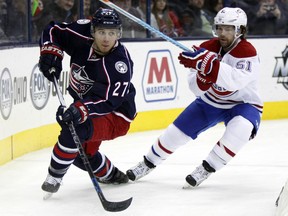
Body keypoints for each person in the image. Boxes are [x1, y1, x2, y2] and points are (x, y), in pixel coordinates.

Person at [126, 7, 263, 188]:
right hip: (211, 102)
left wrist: (209, 66)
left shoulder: (247, 52)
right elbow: (196, 89)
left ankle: (207, 168)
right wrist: (203, 74)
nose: (222, 33)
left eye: (229, 29)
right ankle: (147, 163)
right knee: (174, 135)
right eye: (220, 28)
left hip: (243, 104)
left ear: (240, 31)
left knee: (242, 129)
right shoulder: (206, 49)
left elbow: (234, 82)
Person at [38, 8, 137, 194]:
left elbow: (109, 101)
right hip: (88, 106)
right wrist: (50, 52)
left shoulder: (120, 64)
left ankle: (54, 177)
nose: (106, 38)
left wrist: (79, 109)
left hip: (115, 115)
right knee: (78, 154)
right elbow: (52, 31)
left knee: (74, 129)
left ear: (119, 33)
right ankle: (111, 174)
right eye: (101, 32)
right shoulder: (80, 34)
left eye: (112, 33)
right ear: (92, 31)